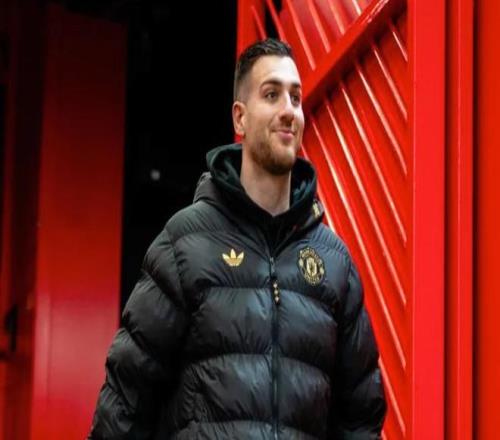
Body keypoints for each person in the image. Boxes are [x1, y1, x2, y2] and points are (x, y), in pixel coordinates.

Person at [88, 38, 386, 440]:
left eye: (295, 97)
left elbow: (361, 419)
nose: (288, 110)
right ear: (240, 118)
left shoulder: (333, 262)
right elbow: (124, 403)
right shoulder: (184, 245)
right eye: (271, 94)